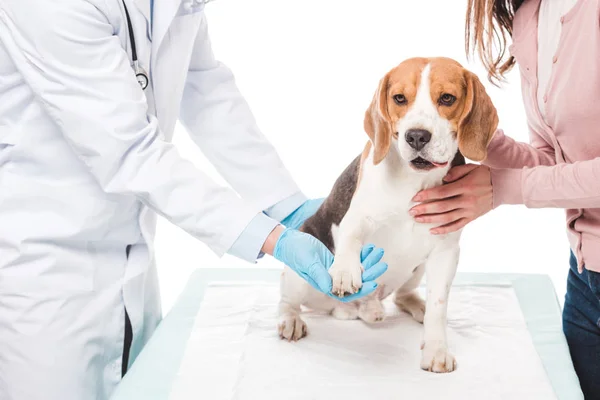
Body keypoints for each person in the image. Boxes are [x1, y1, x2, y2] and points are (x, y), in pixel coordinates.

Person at [0, 1, 388, 399]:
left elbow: (204, 88)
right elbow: (130, 150)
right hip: (48, 272)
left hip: (131, 264)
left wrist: (285, 204)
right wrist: (273, 238)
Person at [409, 0, 600, 397]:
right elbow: (553, 160)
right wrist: (473, 131)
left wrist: (502, 189)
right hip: (585, 277)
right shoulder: (531, 16)